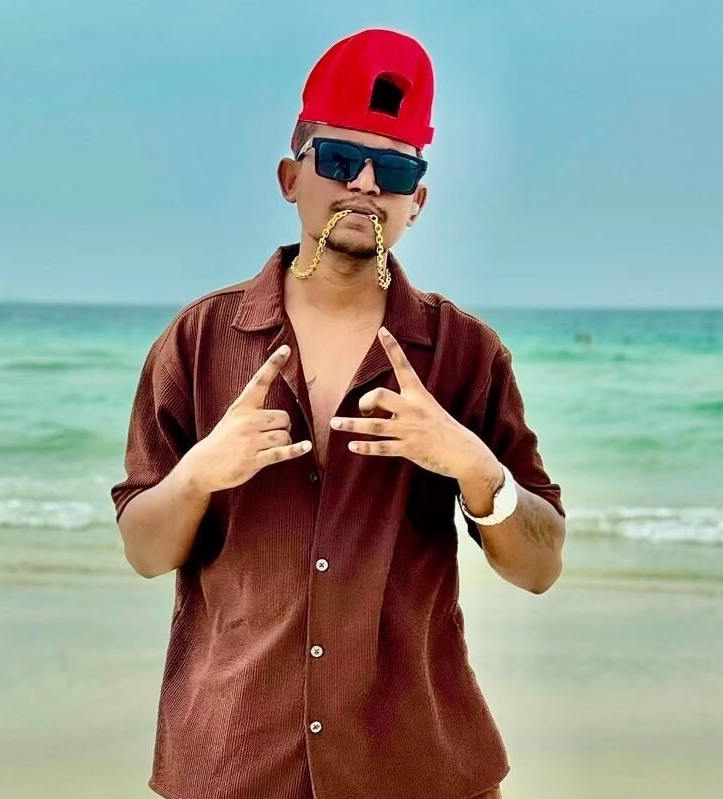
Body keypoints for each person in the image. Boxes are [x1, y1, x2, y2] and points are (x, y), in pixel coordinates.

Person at [111, 27, 566, 799]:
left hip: (417, 769)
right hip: (233, 766)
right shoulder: (197, 340)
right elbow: (145, 552)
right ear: (291, 177)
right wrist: (199, 474)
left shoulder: (466, 354)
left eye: (394, 169)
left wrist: (474, 467)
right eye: (338, 158)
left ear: (417, 202)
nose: (363, 182)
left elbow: (540, 565)